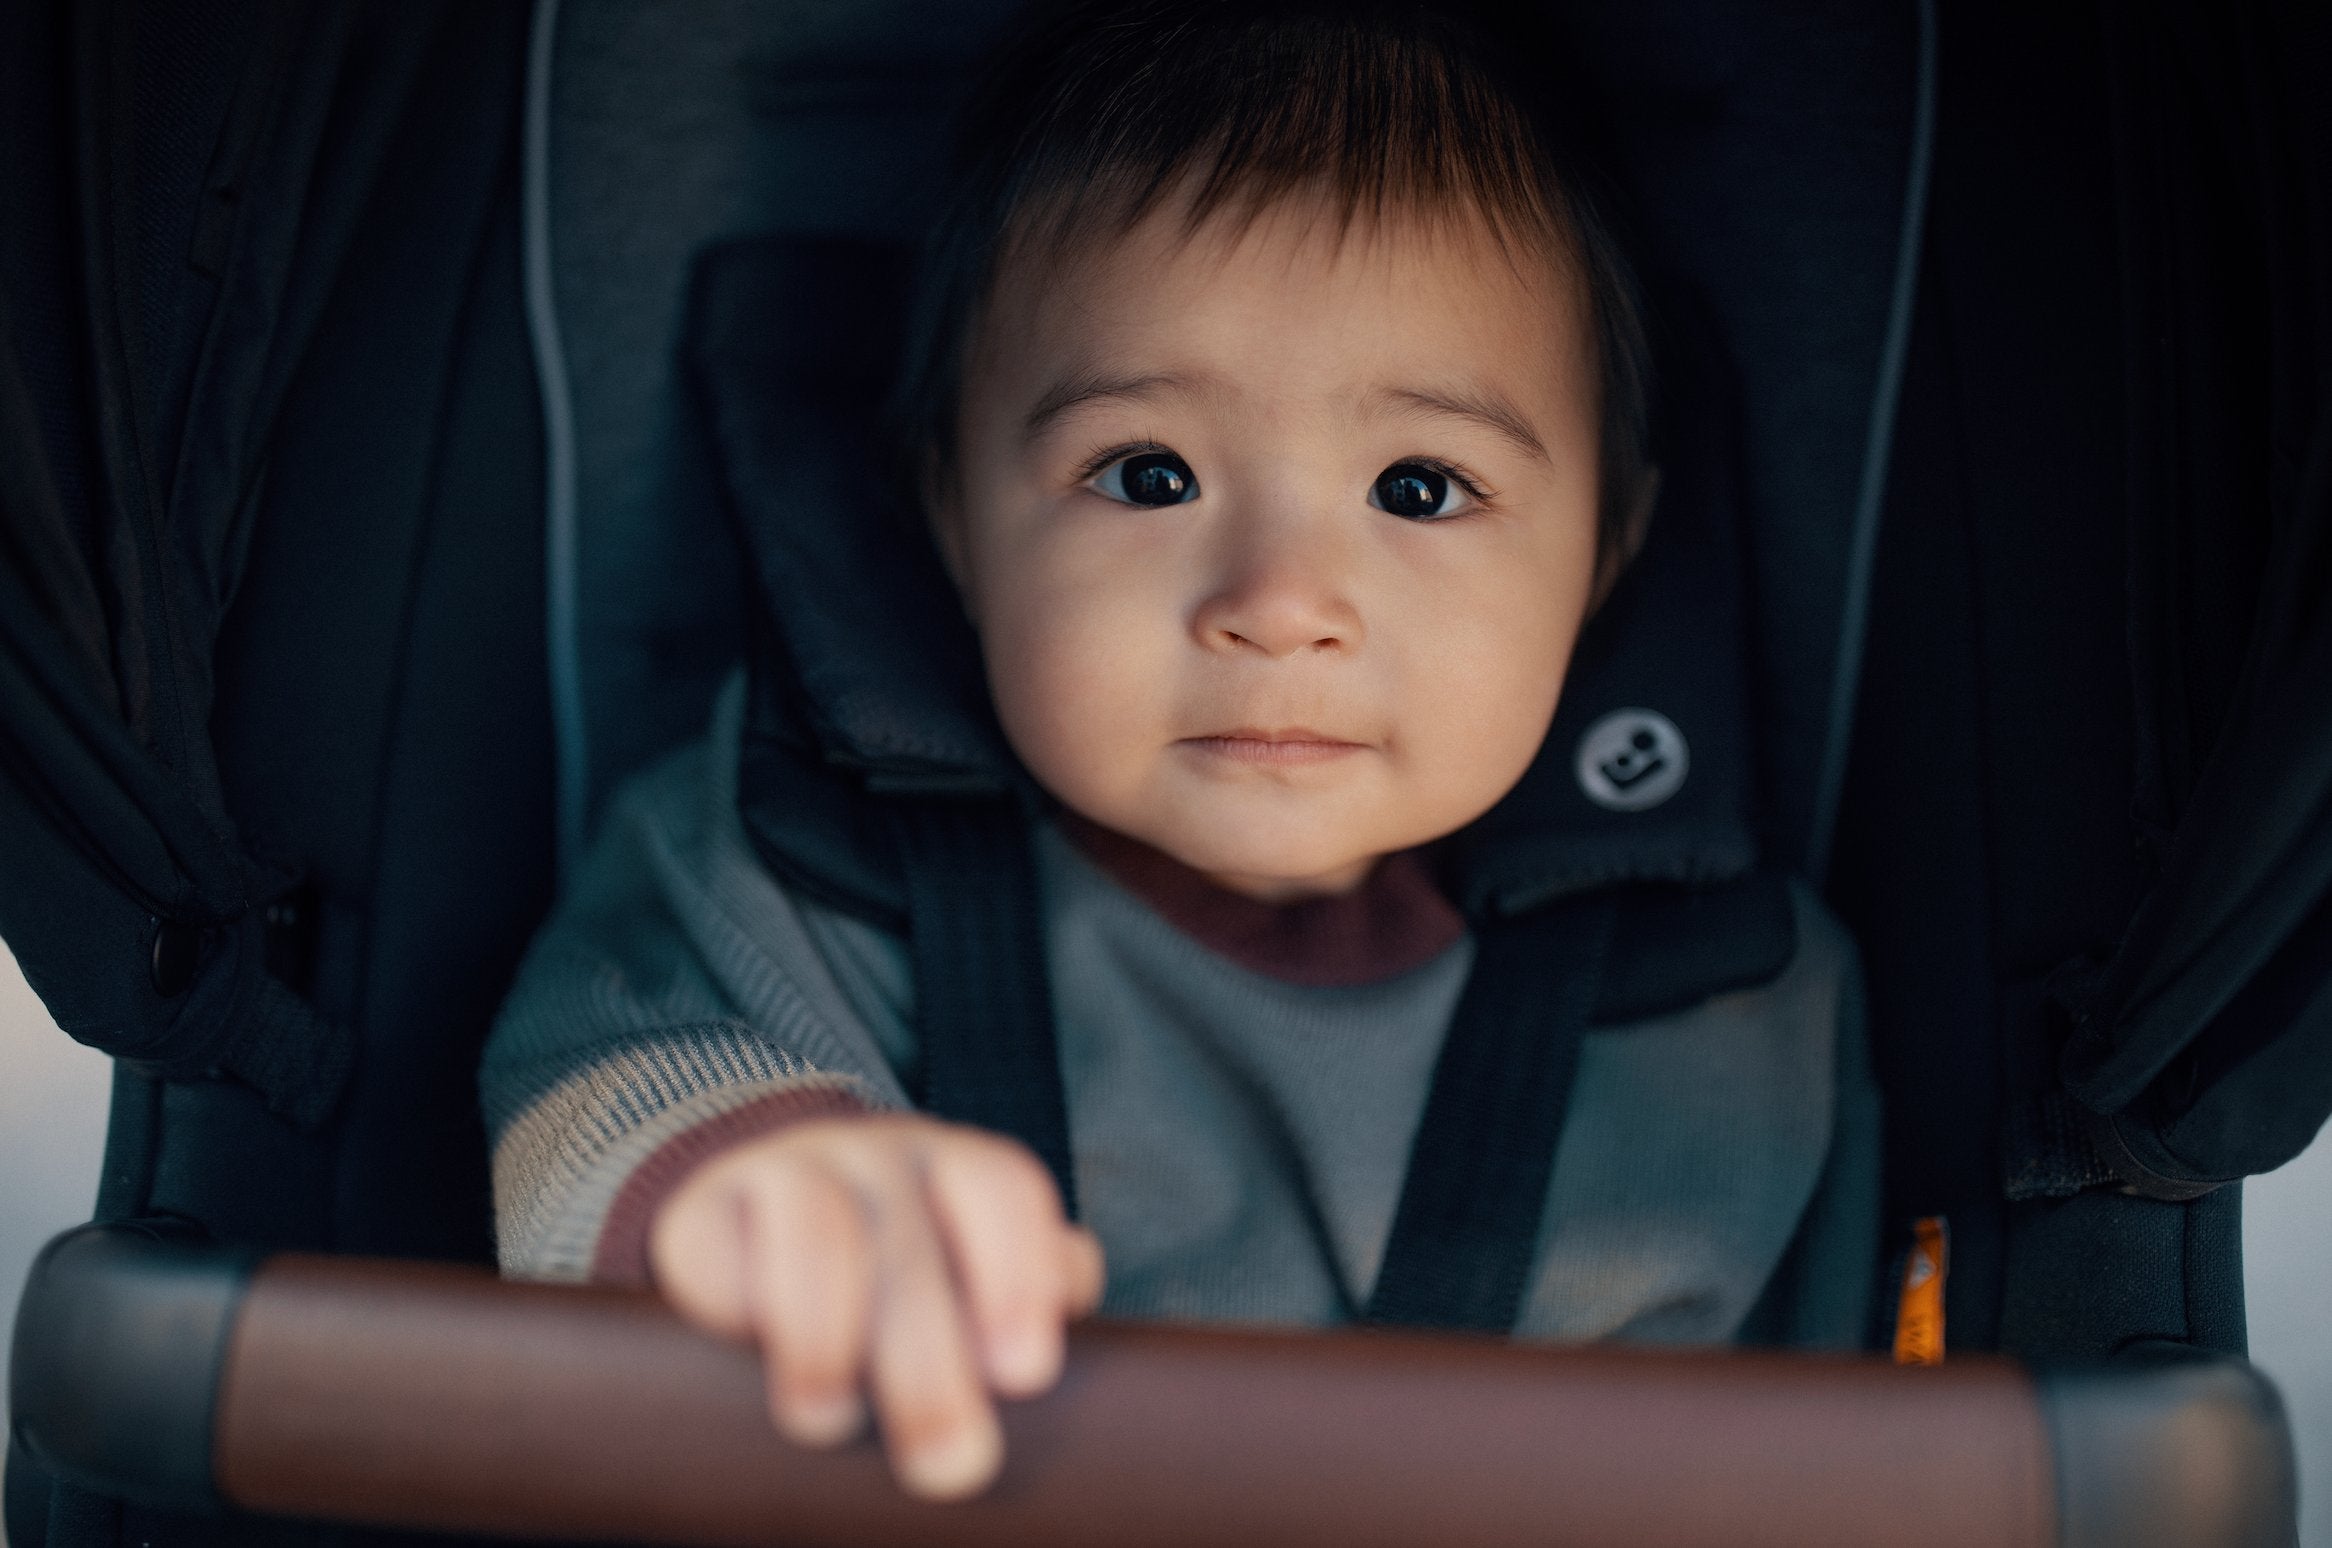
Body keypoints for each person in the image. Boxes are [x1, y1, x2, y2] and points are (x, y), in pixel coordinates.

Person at [481, 0, 1877, 1503]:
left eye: (1419, 487)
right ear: (953, 517)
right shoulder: (810, 877)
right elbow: (600, 1091)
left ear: (1607, 551)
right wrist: (753, 1193)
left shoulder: (1737, 1006)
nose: (1279, 607)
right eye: (1147, 475)